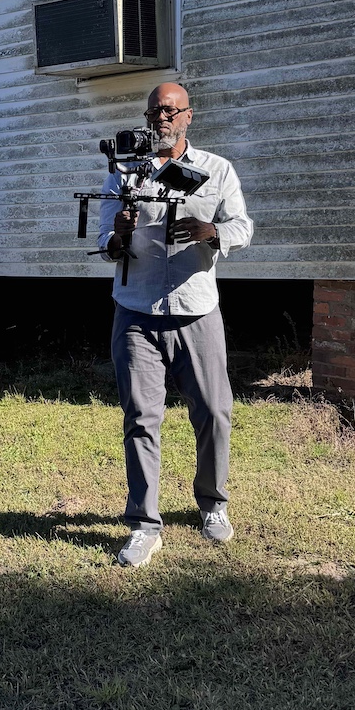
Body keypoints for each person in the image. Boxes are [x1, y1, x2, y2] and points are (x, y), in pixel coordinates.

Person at [97, 83, 253, 568]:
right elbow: (105, 240)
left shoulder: (216, 170)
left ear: (188, 116)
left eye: (170, 111)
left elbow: (243, 227)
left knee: (213, 412)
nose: (161, 118)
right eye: (154, 111)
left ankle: (212, 505)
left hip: (197, 312)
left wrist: (213, 233)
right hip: (136, 314)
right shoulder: (124, 173)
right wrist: (117, 236)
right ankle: (144, 526)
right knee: (141, 419)